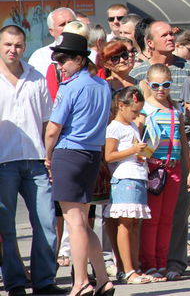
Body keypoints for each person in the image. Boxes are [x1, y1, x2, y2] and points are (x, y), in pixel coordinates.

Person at [43, 31, 114, 296]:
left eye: (63, 60)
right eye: (56, 60)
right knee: (83, 221)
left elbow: (53, 129)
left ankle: (81, 281)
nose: (59, 65)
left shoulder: (70, 87)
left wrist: (47, 155)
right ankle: (103, 279)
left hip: (69, 153)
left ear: (80, 60)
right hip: (92, 154)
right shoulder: (102, 85)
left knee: (74, 221)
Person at [0, 24, 65, 296]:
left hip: (36, 161)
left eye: (17, 45)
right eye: (7, 45)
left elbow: (47, 122)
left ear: (24, 47)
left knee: (46, 223)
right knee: (7, 228)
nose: (13, 50)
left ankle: (44, 281)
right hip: (4, 163)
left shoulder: (36, 76)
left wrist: (49, 157)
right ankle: (15, 283)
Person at [129, 20, 190, 278]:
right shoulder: (138, 74)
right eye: (164, 34)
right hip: (151, 160)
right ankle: (148, 263)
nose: (171, 38)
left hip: (181, 149)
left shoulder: (187, 68)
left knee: (176, 215)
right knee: (152, 217)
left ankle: (174, 263)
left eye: (172, 33)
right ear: (149, 42)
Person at [139, 64, 190, 281]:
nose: (161, 89)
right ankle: (149, 263)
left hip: (175, 168)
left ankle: (163, 264)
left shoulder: (176, 108)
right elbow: (139, 140)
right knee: (152, 219)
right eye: (155, 85)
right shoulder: (145, 109)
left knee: (168, 218)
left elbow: (184, 140)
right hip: (154, 168)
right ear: (148, 83)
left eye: (166, 85)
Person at [104, 87, 150, 285]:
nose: (136, 115)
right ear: (121, 106)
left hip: (137, 175)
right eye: (134, 112)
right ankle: (128, 269)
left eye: (139, 112)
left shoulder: (131, 125)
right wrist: (133, 149)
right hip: (125, 178)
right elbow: (109, 155)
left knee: (133, 224)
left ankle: (133, 267)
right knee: (125, 223)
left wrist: (143, 152)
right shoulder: (114, 127)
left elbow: (130, 152)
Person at [28, 7, 77, 76]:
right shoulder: (40, 57)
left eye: (70, 23)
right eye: (62, 24)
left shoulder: (91, 54)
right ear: (51, 31)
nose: (68, 27)